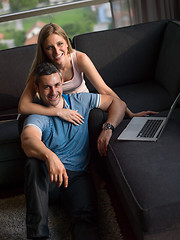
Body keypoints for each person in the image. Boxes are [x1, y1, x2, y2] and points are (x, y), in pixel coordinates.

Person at [21, 62, 126, 240]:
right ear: (37, 88)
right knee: (33, 163)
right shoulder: (38, 116)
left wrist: (108, 127)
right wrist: (49, 156)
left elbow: (118, 103)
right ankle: (37, 235)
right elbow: (28, 139)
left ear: (62, 83)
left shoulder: (80, 100)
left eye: (56, 85)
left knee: (86, 219)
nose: (53, 92)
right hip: (49, 179)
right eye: (46, 87)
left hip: (77, 177)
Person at [18, 22, 156, 125]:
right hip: (57, 109)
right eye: (49, 47)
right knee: (25, 119)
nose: (56, 51)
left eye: (60, 44)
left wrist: (130, 113)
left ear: (67, 43)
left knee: (96, 115)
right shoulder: (42, 69)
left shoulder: (79, 59)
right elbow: (23, 106)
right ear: (43, 50)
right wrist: (58, 112)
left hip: (82, 106)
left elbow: (103, 89)